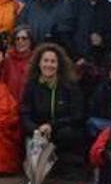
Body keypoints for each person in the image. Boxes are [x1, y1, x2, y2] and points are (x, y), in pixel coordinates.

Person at [20, 43, 85, 176]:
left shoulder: (70, 86)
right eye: (45, 61)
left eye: (53, 61)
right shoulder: (31, 85)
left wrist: (51, 126)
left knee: (68, 134)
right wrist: (36, 129)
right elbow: (24, 112)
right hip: (38, 134)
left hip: (61, 132)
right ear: (39, 63)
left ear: (59, 64)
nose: (49, 65)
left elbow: (77, 115)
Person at [63, 0, 111, 92]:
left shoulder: (109, 7)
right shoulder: (72, 4)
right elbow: (64, 32)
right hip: (75, 63)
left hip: (98, 64)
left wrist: (102, 41)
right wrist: (76, 57)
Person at [0, 25, 34, 103]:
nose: (20, 41)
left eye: (24, 38)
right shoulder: (6, 59)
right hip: (8, 104)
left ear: (30, 41)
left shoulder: (35, 60)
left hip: (29, 105)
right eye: (17, 39)